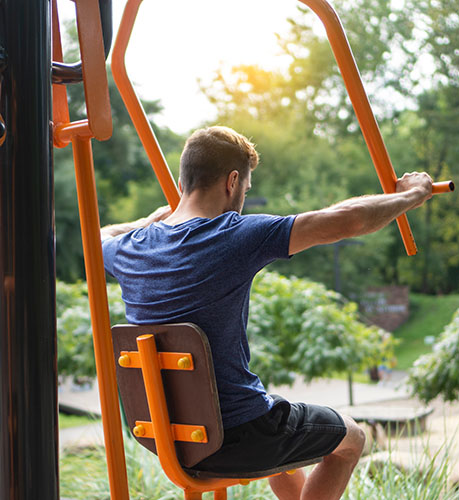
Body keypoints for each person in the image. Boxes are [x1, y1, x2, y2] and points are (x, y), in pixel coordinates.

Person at [101, 126, 433, 500]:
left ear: (182, 182)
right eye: (246, 187)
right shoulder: (236, 235)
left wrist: (151, 221)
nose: (243, 196)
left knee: (284, 432)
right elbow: (346, 220)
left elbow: (99, 236)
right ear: (232, 182)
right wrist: (411, 195)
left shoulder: (131, 247)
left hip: (167, 439)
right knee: (351, 439)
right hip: (238, 435)